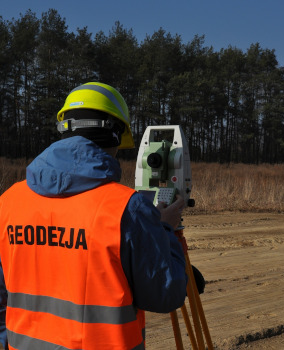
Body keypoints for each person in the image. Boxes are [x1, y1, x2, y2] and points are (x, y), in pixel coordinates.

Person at [0, 82, 187, 350]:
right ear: (115, 135)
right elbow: (165, 295)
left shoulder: (8, 202)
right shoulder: (127, 209)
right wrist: (166, 231)